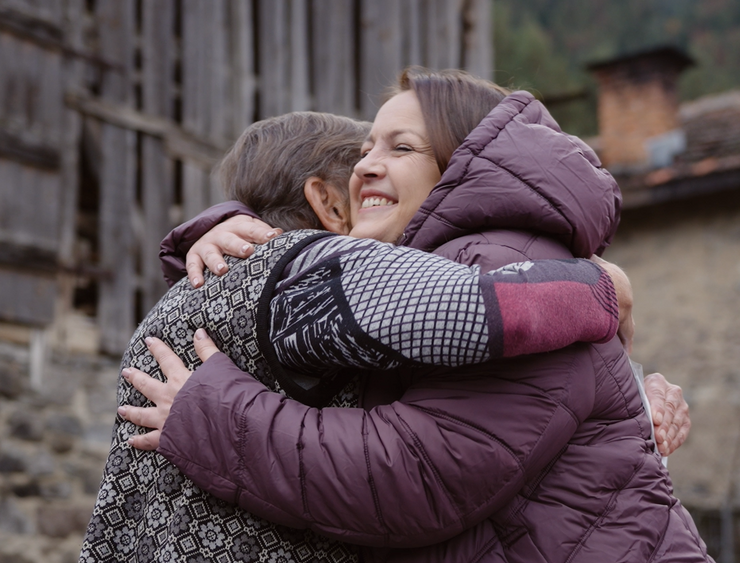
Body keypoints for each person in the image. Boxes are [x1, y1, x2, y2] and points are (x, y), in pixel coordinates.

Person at [124, 69, 709, 562]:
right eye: (364, 151)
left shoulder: (498, 263)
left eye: (400, 148)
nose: (366, 169)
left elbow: (414, 477)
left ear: (463, 166)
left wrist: (212, 414)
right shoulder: (447, 272)